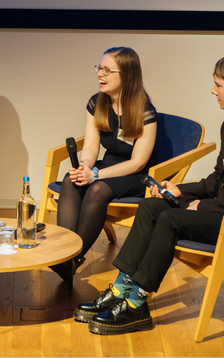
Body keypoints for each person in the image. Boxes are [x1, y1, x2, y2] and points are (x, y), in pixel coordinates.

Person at [76, 54, 224, 336]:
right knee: (153, 206)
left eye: (218, 85)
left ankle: (137, 305)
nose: (213, 90)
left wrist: (201, 207)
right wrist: (179, 189)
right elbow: (218, 179)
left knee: (171, 220)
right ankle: (120, 289)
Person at [49, 47, 158, 282]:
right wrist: (85, 168)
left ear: (127, 75)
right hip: (106, 167)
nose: (100, 74)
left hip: (135, 175)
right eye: (100, 68)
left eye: (108, 70)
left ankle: (72, 257)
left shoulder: (145, 111)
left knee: (97, 189)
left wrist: (96, 175)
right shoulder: (97, 102)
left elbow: (138, 162)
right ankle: (65, 256)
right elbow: (90, 148)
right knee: (71, 179)